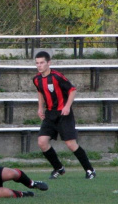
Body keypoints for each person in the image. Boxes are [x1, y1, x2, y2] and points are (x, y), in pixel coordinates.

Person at [33, 51, 96, 180]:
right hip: (49, 114)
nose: (39, 66)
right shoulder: (36, 79)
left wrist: (67, 106)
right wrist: (40, 108)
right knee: (42, 142)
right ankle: (58, 168)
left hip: (63, 114)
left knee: (71, 144)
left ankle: (90, 170)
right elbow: (40, 92)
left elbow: (72, 90)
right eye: (37, 63)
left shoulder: (57, 76)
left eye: (42, 63)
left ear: (48, 63)